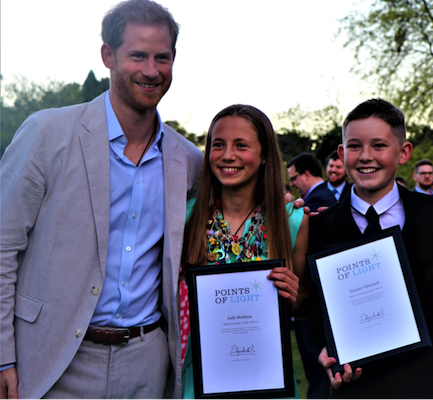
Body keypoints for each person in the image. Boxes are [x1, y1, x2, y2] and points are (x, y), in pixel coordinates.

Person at [0, 1, 203, 398]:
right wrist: (3, 357)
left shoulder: (187, 160)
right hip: (52, 361)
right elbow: (2, 248)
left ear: (174, 59)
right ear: (107, 56)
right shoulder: (46, 134)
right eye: (138, 55)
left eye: (162, 57)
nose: (151, 70)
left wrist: (295, 214)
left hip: (147, 366)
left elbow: (232, 207)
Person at [310, 98, 433, 399]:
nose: (365, 157)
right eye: (354, 146)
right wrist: (327, 348)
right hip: (356, 385)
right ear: (341, 153)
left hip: (427, 380)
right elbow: (313, 307)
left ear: (404, 153)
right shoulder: (319, 227)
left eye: (379, 146)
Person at [180, 104, 309, 399]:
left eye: (241, 145)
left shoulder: (293, 220)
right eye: (219, 145)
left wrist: (294, 294)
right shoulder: (185, 219)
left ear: (264, 155)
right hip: (201, 379)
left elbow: (305, 304)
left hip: (268, 378)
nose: (228, 155)